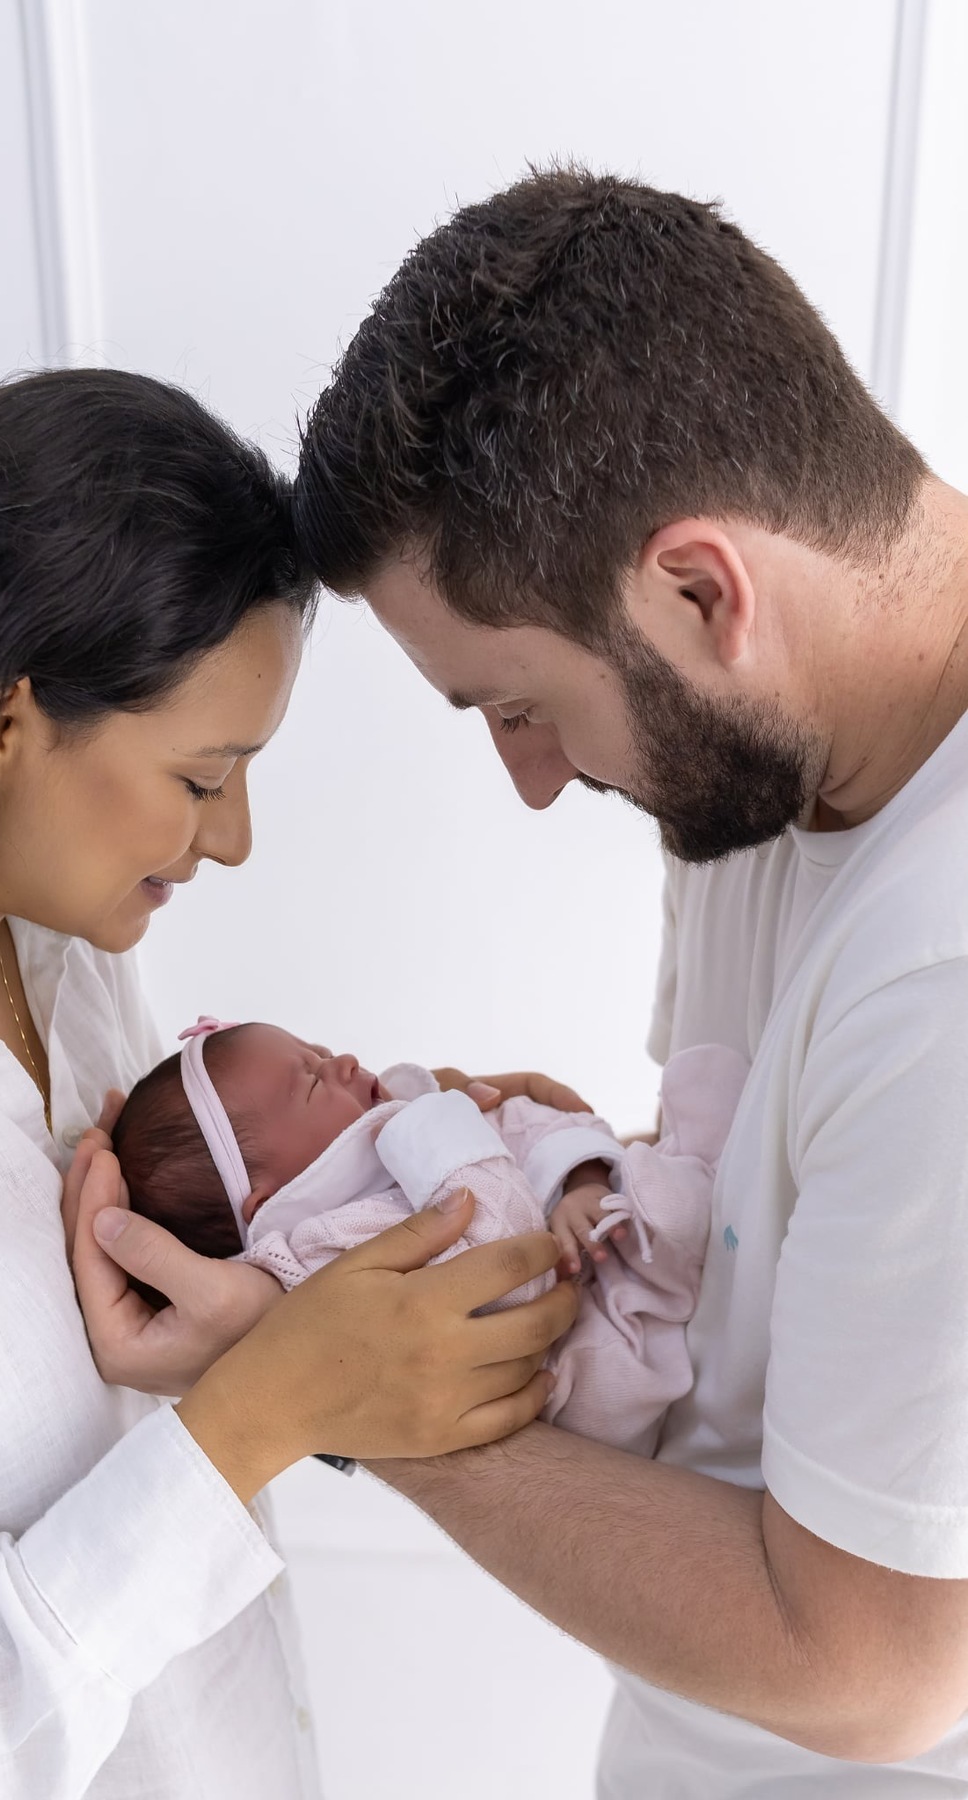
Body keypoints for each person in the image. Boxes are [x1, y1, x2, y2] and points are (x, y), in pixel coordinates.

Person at [0, 367, 580, 1799]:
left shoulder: (60, 960)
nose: (236, 841)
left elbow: (141, 1368)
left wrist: (335, 1238)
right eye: (204, 780)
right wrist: (252, 1420)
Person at [289, 167, 968, 1791]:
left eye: (514, 704)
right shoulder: (754, 769)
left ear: (698, 590)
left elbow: (874, 1669)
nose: (531, 780)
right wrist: (585, 1176)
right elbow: (781, 1216)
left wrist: (348, 1383)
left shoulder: (945, 970)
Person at [113, 1016, 746, 1455]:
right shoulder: (325, 1255)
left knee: (674, 1182)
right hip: (582, 1364)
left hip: (603, 1251)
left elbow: (529, 1121)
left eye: (320, 1050)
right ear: (272, 1199)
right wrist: (440, 1131)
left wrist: (580, 1177)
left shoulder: (411, 1124)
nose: (345, 1063)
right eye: (311, 1079)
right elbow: (502, 1272)